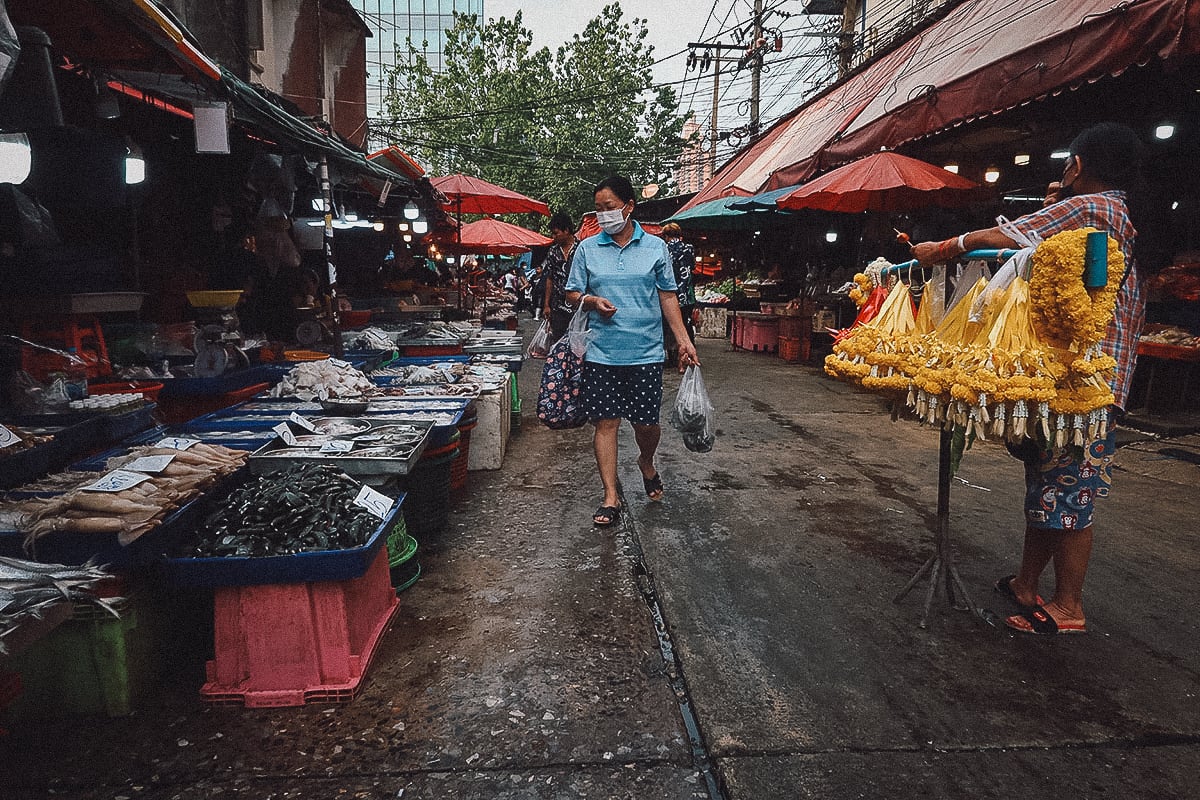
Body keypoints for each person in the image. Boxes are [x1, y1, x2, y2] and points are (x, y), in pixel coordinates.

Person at [912, 122, 1146, 636]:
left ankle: (1069, 607)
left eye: (1067, 167)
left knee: (1071, 493)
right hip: (1074, 383)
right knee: (1048, 487)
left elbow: (1003, 237)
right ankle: (1025, 582)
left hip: (1087, 389)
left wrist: (941, 249)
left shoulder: (1091, 207)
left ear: (1078, 167)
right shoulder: (1108, 213)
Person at [565, 176, 700, 528]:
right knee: (606, 423)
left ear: (629, 206)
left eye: (609, 208)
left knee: (646, 424)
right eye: (599, 209)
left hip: (646, 353)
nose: (604, 215)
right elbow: (572, 294)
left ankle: (646, 462)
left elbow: (668, 295)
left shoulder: (656, 248)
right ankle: (611, 496)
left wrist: (684, 340)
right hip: (601, 353)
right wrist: (590, 301)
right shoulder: (587, 248)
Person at [541, 211, 578, 342]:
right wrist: (546, 304)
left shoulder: (581, 249)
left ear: (566, 230)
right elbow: (549, 278)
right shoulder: (553, 252)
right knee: (557, 341)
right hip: (557, 307)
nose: (553, 236)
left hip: (578, 306)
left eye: (556, 233)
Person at [661, 223, 697, 347]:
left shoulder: (664, 249)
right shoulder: (689, 248)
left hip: (670, 294)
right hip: (687, 293)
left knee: (669, 324)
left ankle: (671, 353)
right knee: (686, 323)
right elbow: (692, 267)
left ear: (665, 236)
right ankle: (689, 349)